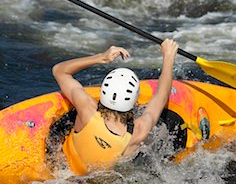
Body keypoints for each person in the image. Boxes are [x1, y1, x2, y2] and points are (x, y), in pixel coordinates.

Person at [52, 38, 178, 176]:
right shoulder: (137, 133)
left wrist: (102, 58)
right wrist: (168, 57)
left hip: (62, 173)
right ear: (134, 100)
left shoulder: (86, 109)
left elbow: (59, 71)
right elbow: (162, 96)